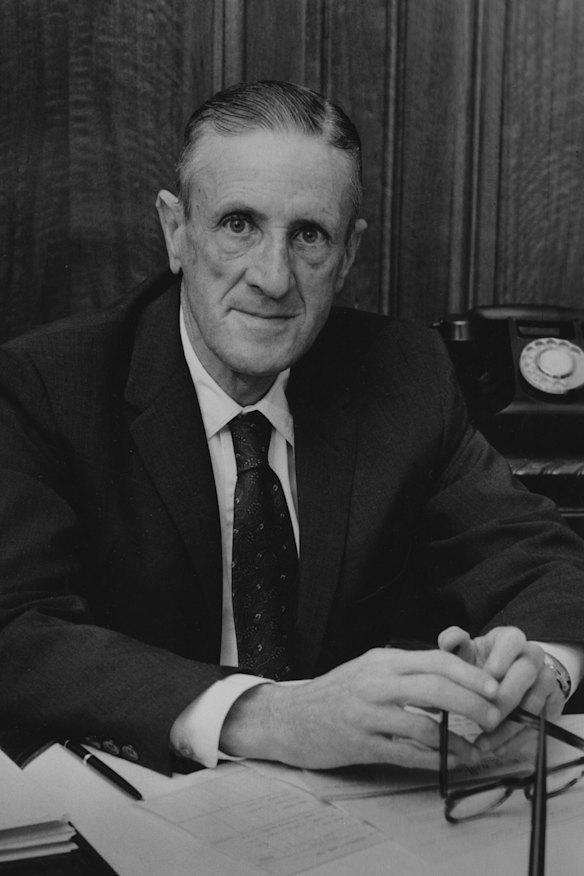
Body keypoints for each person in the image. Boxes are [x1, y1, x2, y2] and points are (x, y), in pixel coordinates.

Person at [1, 80, 583, 778]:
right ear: (177, 231)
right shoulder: (48, 385)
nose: (273, 278)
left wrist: (536, 668)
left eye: (309, 235)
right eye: (238, 224)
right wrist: (266, 714)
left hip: (352, 819)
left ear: (349, 254)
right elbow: (17, 631)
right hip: (141, 803)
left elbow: (537, 559)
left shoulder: (404, 372)